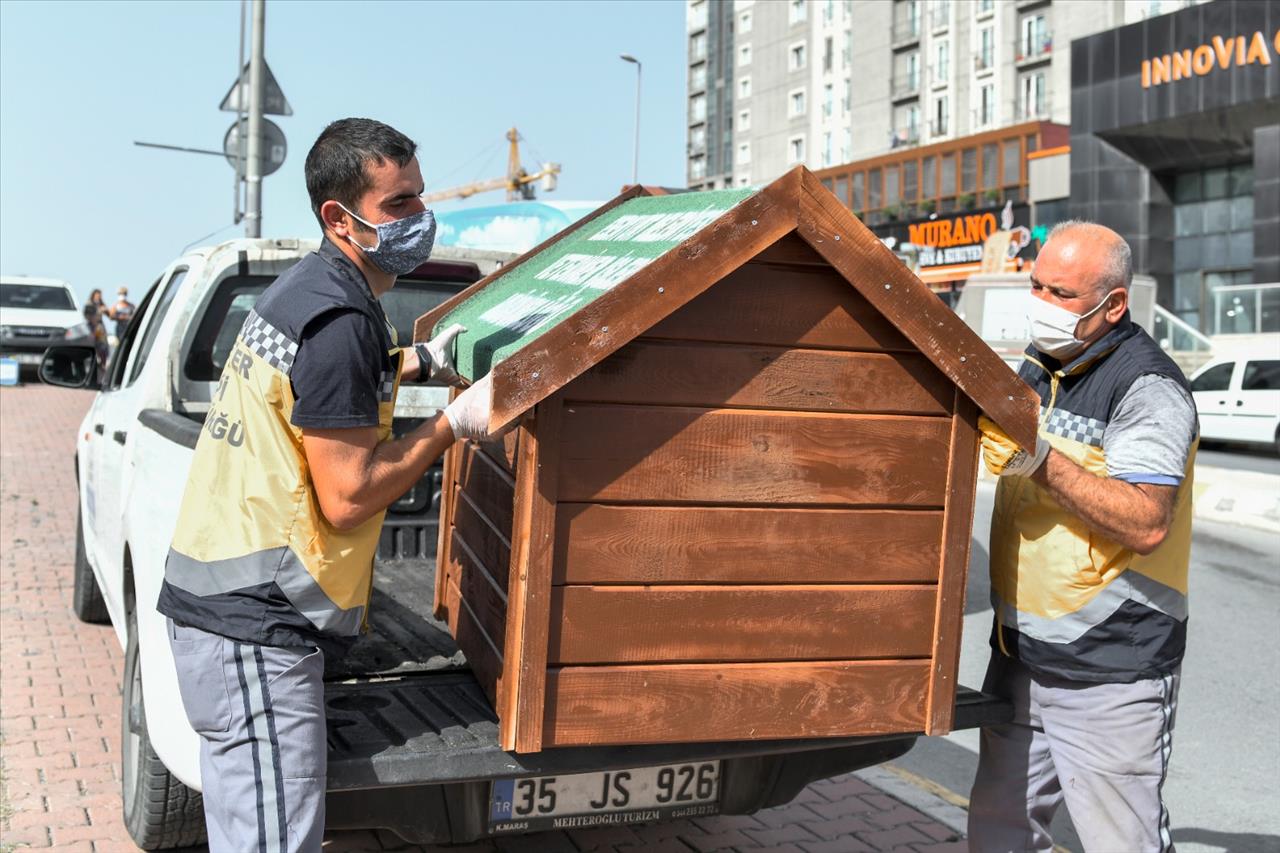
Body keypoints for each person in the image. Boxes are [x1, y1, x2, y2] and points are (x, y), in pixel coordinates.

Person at [156, 118, 501, 851]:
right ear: (339, 218)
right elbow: (346, 496)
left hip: (225, 618)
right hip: (254, 630)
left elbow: (325, 385)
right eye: (398, 206)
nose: (419, 219)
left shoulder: (309, 293)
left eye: (419, 197)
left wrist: (412, 362)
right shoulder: (340, 317)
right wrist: (449, 427)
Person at [969, 221, 1197, 852]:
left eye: (1061, 294)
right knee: (1000, 831)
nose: (1041, 302)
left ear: (1113, 304)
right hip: (1020, 657)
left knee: (1119, 841)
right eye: (1036, 284)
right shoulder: (1038, 366)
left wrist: (1037, 459)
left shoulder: (1148, 388)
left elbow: (1147, 521)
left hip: (1109, 666)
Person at [83, 288, 110, 368]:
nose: (98, 297)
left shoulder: (101, 304)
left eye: (100, 296)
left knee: (103, 346)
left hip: (100, 327)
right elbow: (86, 315)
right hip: (92, 327)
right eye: (97, 295)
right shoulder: (89, 304)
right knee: (92, 345)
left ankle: (102, 364)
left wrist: (104, 310)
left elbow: (109, 315)